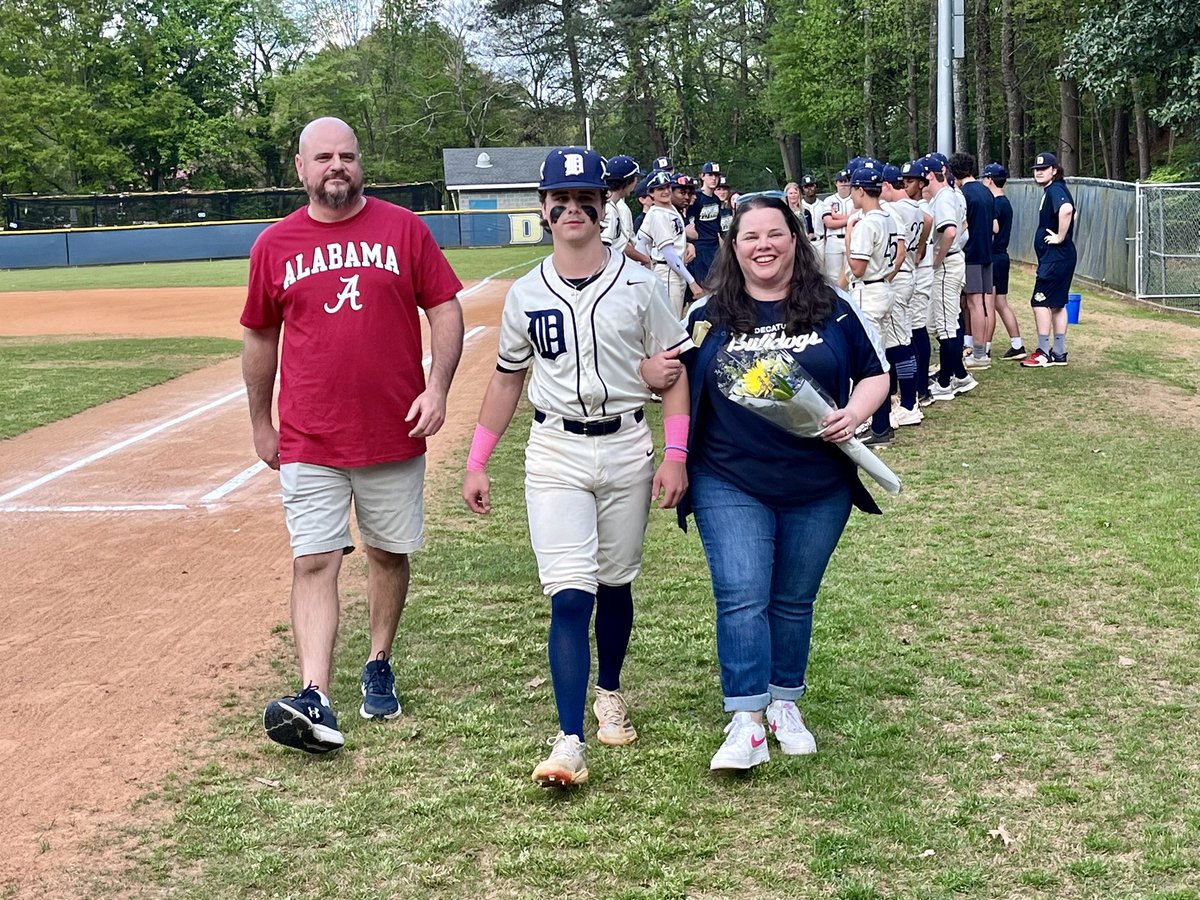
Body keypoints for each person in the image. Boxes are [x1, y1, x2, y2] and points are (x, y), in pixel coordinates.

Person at [462, 147, 693, 788]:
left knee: (615, 582)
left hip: (626, 444)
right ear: (543, 208)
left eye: (584, 198)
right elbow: (508, 380)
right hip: (555, 451)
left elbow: (673, 374)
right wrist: (478, 460)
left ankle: (610, 689)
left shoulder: (641, 286)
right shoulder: (527, 292)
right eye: (558, 199)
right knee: (569, 594)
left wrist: (675, 453)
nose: (571, 209)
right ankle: (568, 740)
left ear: (604, 205)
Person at [241, 116, 465, 754]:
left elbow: (444, 305)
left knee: (388, 554)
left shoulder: (403, 228)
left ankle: (379, 660)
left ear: (359, 164)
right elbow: (260, 337)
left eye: (347, 156)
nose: (336, 166)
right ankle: (314, 692)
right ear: (301, 167)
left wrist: (438, 386)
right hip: (312, 434)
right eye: (324, 158)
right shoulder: (276, 245)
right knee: (315, 559)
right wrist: (263, 422)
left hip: (394, 428)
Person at [676, 194, 890, 771]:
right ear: (735, 247)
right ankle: (745, 719)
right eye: (750, 237)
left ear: (796, 240)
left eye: (775, 234)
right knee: (743, 593)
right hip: (729, 477)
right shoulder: (706, 318)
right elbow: (671, 382)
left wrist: (857, 412)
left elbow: (877, 375)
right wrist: (654, 377)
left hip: (817, 483)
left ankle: (784, 704)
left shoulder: (836, 309)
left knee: (793, 601)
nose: (763, 245)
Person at [923, 153, 976, 402]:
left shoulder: (944, 196)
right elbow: (963, 224)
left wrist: (937, 258)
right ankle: (959, 373)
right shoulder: (952, 194)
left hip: (947, 263)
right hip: (954, 259)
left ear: (931, 175)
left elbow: (951, 231)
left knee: (946, 326)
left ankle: (946, 381)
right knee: (948, 321)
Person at [1021, 152, 1076, 368]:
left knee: (1040, 301)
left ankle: (1043, 351)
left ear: (1054, 170)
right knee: (1058, 304)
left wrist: (1061, 237)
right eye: (1036, 169)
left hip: (1056, 258)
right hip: (1061, 257)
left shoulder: (1055, 190)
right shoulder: (1056, 189)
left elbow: (1068, 210)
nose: (1039, 172)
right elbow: (1073, 213)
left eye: (1044, 168)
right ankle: (1059, 352)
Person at [637, 170, 705, 317]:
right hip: (667, 272)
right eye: (660, 188)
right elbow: (668, 254)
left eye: (667, 187)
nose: (666, 191)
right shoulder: (658, 215)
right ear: (651, 193)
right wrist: (692, 282)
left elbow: (641, 241)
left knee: (674, 320)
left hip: (674, 271)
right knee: (672, 324)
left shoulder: (668, 209)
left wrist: (687, 245)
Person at [950, 153, 995, 371]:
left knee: (974, 304)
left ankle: (978, 354)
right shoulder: (986, 191)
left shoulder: (964, 194)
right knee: (983, 304)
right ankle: (982, 349)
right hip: (987, 253)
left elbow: (963, 226)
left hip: (972, 255)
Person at [980, 163, 1027, 360]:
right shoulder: (1005, 202)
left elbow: (995, 228)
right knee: (1001, 303)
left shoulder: (995, 203)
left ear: (989, 179)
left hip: (993, 257)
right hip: (1003, 257)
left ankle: (985, 348)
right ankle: (1017, 344)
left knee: (988, 305)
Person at [602, 154, 653, 268]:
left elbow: (619, 244)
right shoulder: (608, 209)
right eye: (635, 177)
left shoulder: (611, 206)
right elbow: (604, 249)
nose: (636, 182)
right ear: (628, 180)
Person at [688, 162, 725, 286]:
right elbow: (689, 222)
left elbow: (718, 225)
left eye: (716, 175)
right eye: (710, 175)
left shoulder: (716, 200)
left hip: (715, 247)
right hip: (700, 248)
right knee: (705, 285)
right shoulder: (696, 197)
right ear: (702, 176)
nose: (714, 178)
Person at [821, 170, 854, 284]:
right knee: (833, 276)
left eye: (846, 181)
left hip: (852, 239)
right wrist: (850, 219)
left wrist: (836, 217)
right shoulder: (829, 200)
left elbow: (859, 220)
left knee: (851, 275)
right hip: (833, 239)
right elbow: (829, 223)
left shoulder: (855, 198)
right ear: (836, 183)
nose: (844, 183)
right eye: (841, 181)